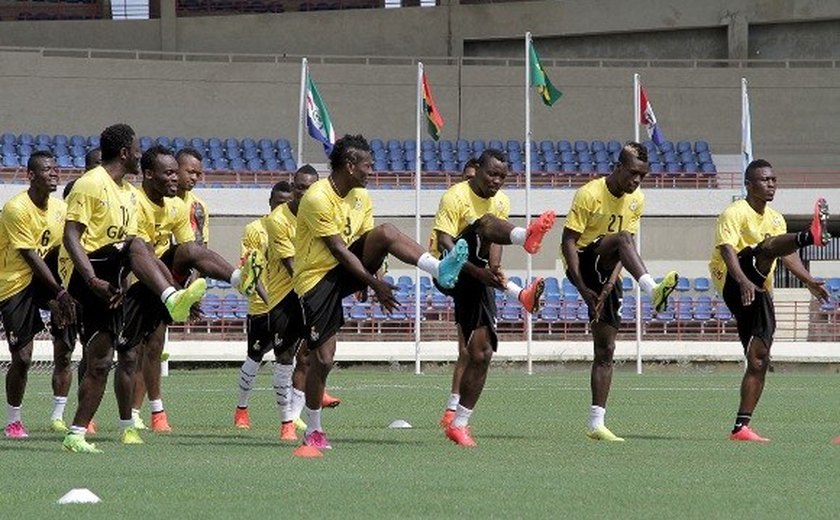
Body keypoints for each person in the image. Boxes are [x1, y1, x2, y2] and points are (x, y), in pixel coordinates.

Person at [293, 134, 469, 452]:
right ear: (349, 165)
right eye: (367, 165)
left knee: (386, 232)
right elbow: (337, 249)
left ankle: (438, 268)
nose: (371, 171)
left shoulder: (361, 197)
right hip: (316, 279)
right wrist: (374, 285)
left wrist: (376, 278)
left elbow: (367, 241)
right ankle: (314, 430)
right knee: (323, 359)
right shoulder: (318, 197)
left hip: (347, 269)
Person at [60, 124, 207, 453]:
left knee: (102, 362)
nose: (140, 155)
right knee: (135, 245)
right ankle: (171, 297)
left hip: (114, 279)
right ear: (125, 153)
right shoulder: (91, 183)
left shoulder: (126, 191)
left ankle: (76, 433)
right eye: (137, 149)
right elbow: (71, 236)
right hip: (91, 275)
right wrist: (91, 280)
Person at [128, 145, 261, 433]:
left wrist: (192, 291)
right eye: (185, 172)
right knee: (130, 351)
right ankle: (109, 415)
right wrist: (176, 291)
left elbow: (191, 249)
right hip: (135, 274)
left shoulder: (189, 206)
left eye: (193, 173)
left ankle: (240, 280)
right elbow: (143, 252)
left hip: (167, 280)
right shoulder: (133, 200)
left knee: (154, 346)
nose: (189, 178)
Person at [434, 149, 556, 447]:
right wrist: (479, 272)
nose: (497, 181)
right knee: (484, 222)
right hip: (450, 270)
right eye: (492, 174)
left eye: (502, 176)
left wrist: (495, 269)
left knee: (481, 352)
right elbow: (444, 241)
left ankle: (459, 423)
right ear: (476, 170)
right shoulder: (455, 196)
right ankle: (525, 240)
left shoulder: (501, 200)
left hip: (477, 275)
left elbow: (493, 241)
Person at [561, 141, 679, 442]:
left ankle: (596, 423)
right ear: (618, 167)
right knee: (623, 237)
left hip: (609, 272)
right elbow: (569, 243)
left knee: (606, 349)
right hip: (585, 261)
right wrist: (583, 287)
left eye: (642, 175)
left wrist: (610, 285)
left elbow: (625, 250)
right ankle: (652, 289)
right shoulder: (589, 194)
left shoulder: (637, 200)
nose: (637, 181)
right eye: (633, 173)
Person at [709, 159, 830, 443]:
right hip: (732, 278)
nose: (771, 184)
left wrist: (808, 280)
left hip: (759, 288)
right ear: (749, 185)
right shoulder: (734, 212)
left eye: (774, 179)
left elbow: (787, 255)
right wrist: (741, 280)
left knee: (759, 358)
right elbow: (727, 250)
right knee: (763, 249)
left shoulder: (775, 218)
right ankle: (809, 236)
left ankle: (741, 428)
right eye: (765, 180)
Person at [236, 167, 339, 441]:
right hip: (280, 298)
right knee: (275, 358)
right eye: (299, 188)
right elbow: (280, 265)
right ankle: (268, 418)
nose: (304, 193)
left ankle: (293, 416)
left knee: (309, 357)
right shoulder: (271, 223)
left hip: (311, 294)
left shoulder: (321, 213)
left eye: (309, 188)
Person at [1, 151, 77, 438]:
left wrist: (66, 290)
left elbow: (60, 250)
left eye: (56, 169)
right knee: (22, 356)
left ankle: (59, 414)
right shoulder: (16, 208)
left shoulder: (59, 209)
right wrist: (58, 293)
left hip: (45, 280)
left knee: (66, 343)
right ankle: (14, 420)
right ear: (31, 175)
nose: (54, 173)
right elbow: (30, 256)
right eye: (47, 170)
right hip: (14, 283)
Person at [176, 147, 210, 246]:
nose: (194, 178)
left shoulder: (199, 206)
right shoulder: (161, 201)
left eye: (198, 174)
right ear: (176, 169)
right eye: (190, 172)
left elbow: (203, 245)